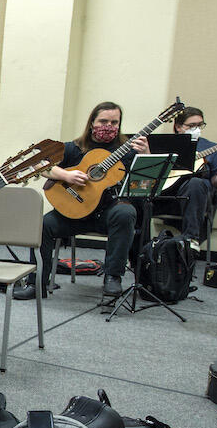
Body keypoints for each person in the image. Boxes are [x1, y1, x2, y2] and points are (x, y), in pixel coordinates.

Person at [14, 101, 149, 300]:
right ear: (92, 122)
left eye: (114, 122)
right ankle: (37, 284)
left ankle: (113, 277)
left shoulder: (128, 151)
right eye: (103, 121)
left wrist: (146, 156)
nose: (108, 126)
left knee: (126, 212)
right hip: (74, 213)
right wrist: (65, 176)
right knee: (43, 225)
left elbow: (143, 185)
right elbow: (40, 164)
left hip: (109, 213)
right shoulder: (74, 148)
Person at [151, 106, 217, 251]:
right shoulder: (163, 144)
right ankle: (134, 247)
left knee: (196, 183)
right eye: (192, 126)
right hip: (164, 198)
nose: (197, 129)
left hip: (195, 200)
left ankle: (190, 239)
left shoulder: (212, 148)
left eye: (200, 125)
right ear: (178, 127)